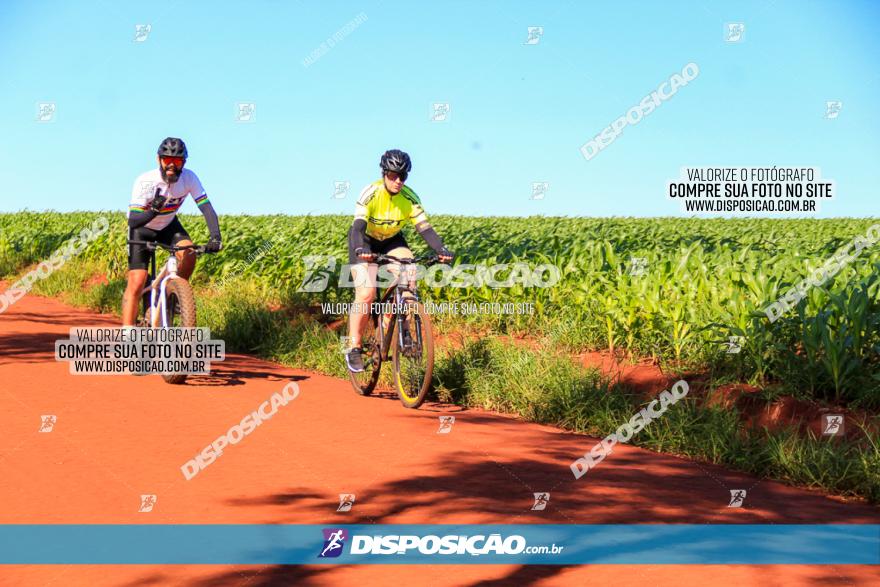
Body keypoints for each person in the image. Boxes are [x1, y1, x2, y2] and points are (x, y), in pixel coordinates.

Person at [345, 149, 453, 372]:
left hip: (392, 240)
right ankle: (353, 347)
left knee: (409, 278)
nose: (398, 181)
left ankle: (398, 331)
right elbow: (358, 227)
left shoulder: (410, 198)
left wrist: (441, 249)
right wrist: (359, 248)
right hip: (364, 240)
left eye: (403, 176)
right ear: (384, 173)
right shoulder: (371, 192)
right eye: (393, 175)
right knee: (365, 294)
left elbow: (425, 228)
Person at [121, 137, 222, 326]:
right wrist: (153, 211)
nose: (172, 166)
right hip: (142, 228)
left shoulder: (189, 178)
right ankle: (127, 334)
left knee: (189, 253)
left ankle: (173, 293)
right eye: (168, 160)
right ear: (159, 160)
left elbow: (206, 207)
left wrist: (216, 236)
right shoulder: (145, 181)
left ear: (183, 163)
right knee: (137, 281)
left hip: (168, 225)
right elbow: (133, 221)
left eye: (177, 161)